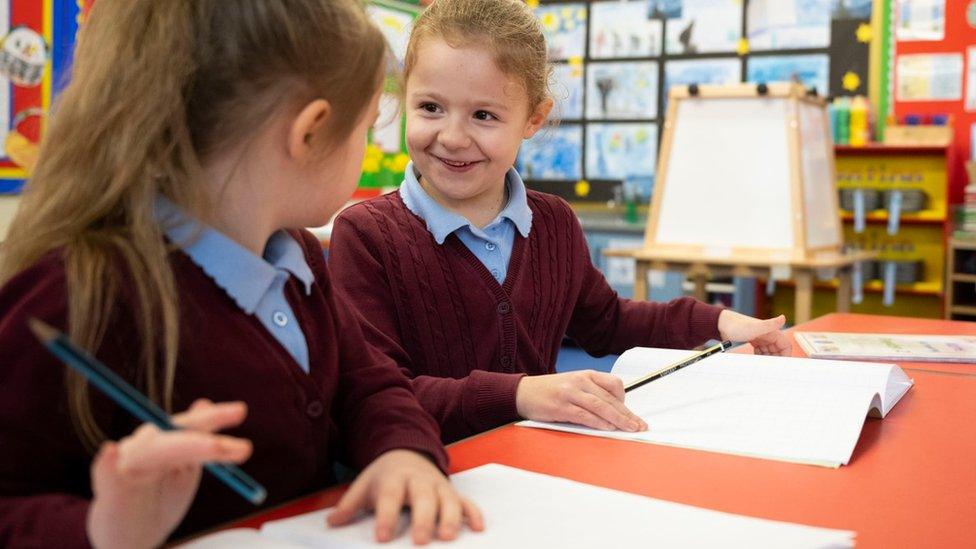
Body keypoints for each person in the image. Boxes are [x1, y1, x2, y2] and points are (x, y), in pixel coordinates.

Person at [0, 1, 483, 546]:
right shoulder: (76, 294)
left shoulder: (296, 261)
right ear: (311, 132)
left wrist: (402, 452)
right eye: (367, 129)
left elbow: (370, 385)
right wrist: (100, 531)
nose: (368, 146)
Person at [328, 0, 792, 444]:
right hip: (425, 477)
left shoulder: (553, 224)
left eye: (483, 115)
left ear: (533, 118)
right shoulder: (367, 236)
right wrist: (518, 394)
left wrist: (719, 321)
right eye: (430, 107)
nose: (451, 137)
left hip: (535, 467)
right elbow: (375, 397)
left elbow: (607, 322)